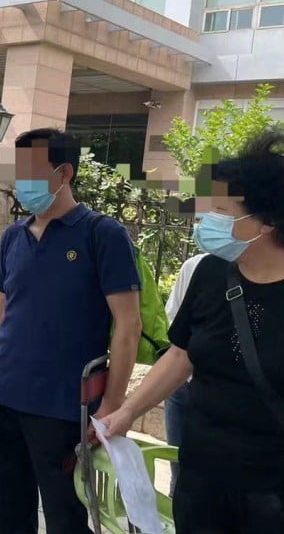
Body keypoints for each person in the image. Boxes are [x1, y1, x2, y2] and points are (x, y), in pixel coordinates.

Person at [99, 130, 284, 532]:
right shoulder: (209, 273)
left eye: (220, 209)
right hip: (203, 476)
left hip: (272, 492)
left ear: (267, 221)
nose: (205, 220)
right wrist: (127, 411)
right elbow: (181, 354)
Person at [0, 128, 141, 534]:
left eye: (30, 171)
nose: (20, 182)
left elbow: (129, 325)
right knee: (8, 513)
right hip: (2, 398)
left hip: (62, 410)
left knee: (67, 517)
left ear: (64, 173)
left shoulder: (103, 235)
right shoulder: (13, 237)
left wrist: (112, 405)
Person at [162, 251, 206, 497]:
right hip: (183, 389)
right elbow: (178, 347)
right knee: (179, 472)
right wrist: (126, 411)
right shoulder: (198, 267)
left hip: (228, 401)